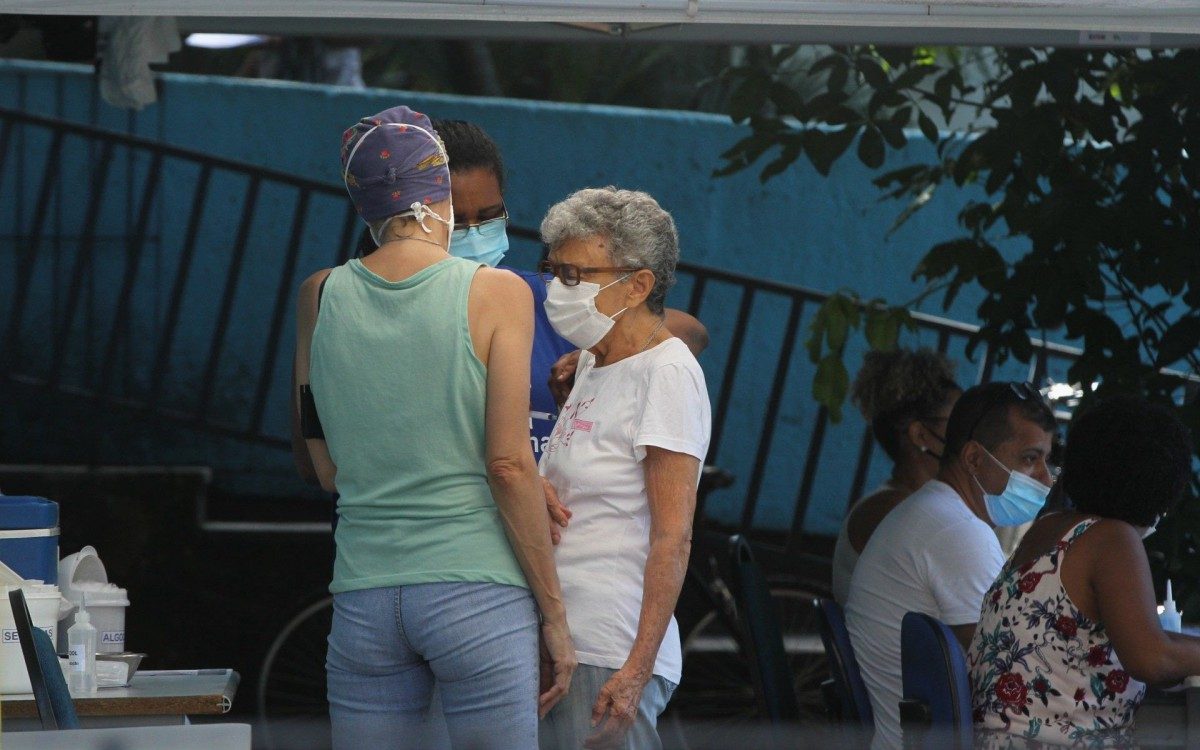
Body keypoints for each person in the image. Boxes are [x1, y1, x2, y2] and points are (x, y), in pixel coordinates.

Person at [294, 105, 574, 749]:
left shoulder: (319, 294)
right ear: (438, 196)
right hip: (476, 592)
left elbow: (327, 466)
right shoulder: (494, 292)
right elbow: (507, 465)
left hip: (363, 596)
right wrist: (554, 619)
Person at [536, 187, 711, 750]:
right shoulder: (591, 360)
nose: (558, 288)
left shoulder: (667, 374)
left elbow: (672, 537)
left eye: (574, 273)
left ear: (637, 285)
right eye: (553, 269)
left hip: (607, 649)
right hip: (567, 639)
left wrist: (634, 672)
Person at [432, 119, 709, 461]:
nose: (474, 234)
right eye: (456, 222)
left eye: (489, 217)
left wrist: (605, 353)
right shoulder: (389, 313)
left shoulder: (531, 296)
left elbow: (690, 332)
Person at [969, 395, 1195, 748]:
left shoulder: (1054, 527)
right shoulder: (1112, 540)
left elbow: (1152, 639)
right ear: (1165, 484)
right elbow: (1152, 658)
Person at [845, 381, 1057, 750]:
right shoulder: (956, 532)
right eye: (1029, 458)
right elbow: (1013, 674)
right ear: (974, 458)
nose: (1046, 477)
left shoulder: (935, 512)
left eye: (1046, 459)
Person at [830, 348, 960, 605]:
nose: (971, 433)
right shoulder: (897, 510)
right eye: (959, 422)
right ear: (921, 436)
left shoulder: (900, 502)